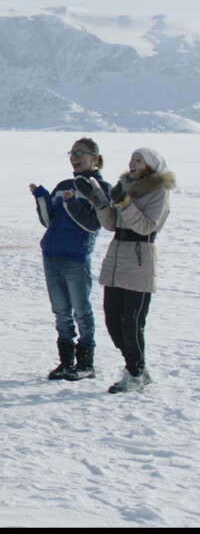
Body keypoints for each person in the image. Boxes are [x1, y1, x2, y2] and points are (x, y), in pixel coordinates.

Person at [74, 148, 174, 394]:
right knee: (112, 320)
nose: (132, 163)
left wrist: (125, 203)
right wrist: (99, 200)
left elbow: (145, 226)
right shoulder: (125, 187)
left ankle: (135, 373)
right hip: (117, 259)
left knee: (132, 322)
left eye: (138, 160)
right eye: (131, 158)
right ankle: (137, 366)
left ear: (150, 166)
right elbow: (111, 224)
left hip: (140, 262)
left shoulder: (159, 192)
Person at [29, 138, 108, 381]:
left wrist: (72, 202)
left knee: (81, 312)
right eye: (71, 153)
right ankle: (66, 362)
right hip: (52, 255)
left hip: (76, 257)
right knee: (61, 312)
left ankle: (86, 364)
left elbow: (93, 224)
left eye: (80, 153)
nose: (74, 157)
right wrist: (41, 197)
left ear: (94, 157)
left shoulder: (100, 187)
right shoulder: (64, 184)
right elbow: (48, 221)